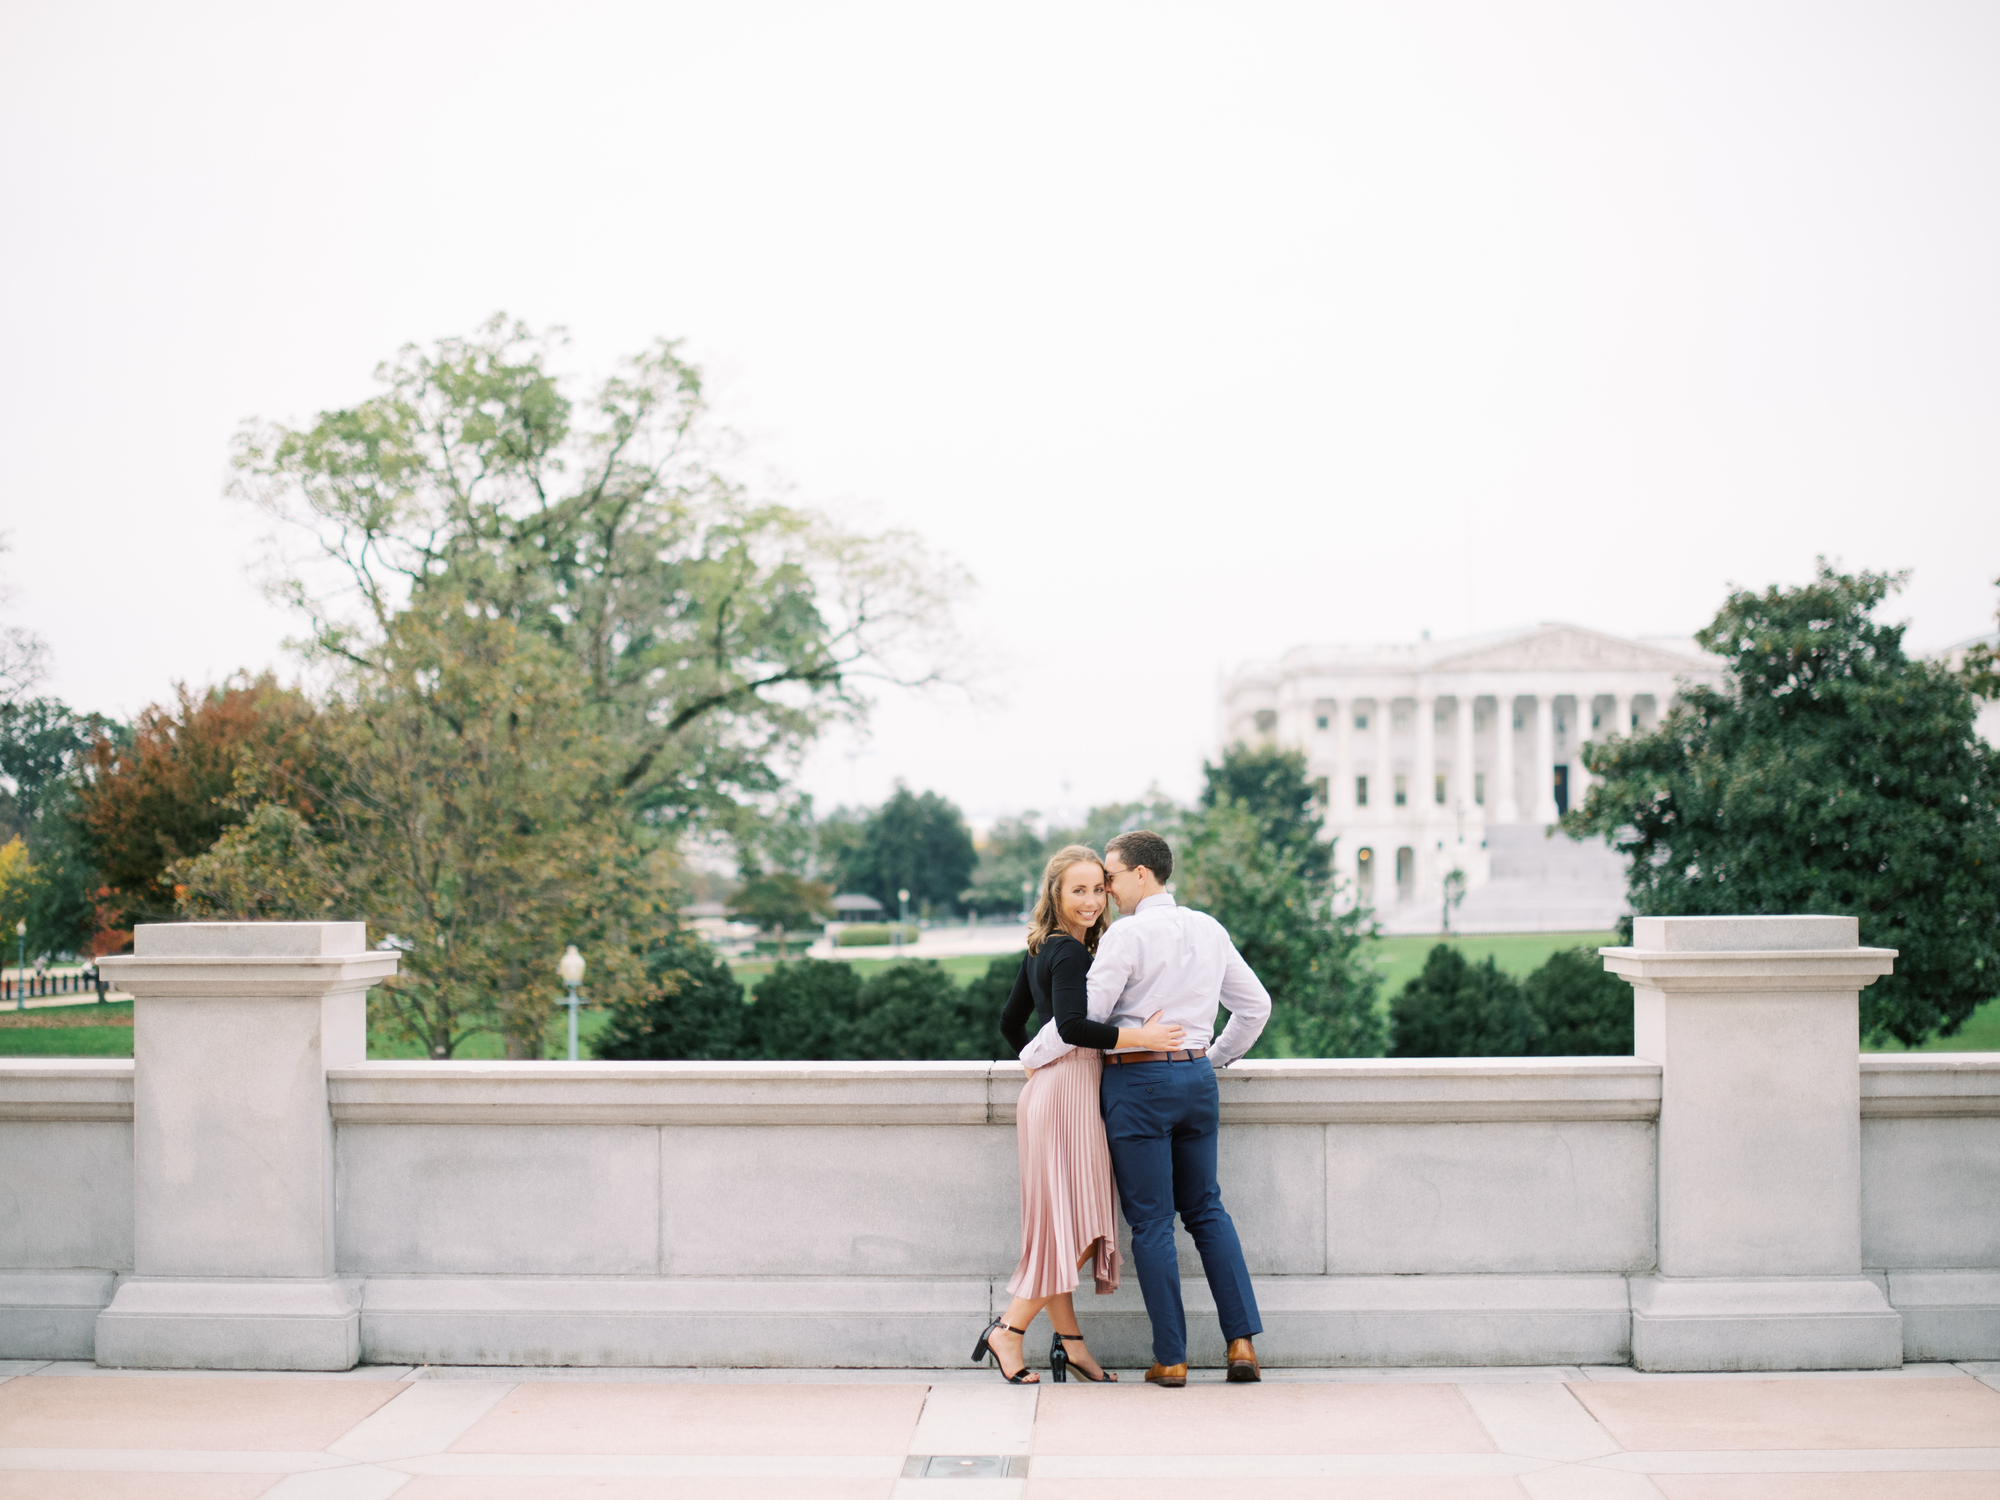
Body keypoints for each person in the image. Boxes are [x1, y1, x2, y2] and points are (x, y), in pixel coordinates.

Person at [1017, 828, 1272, 1387]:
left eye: (1109, 876)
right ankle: (1241, 1345)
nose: (1104, 888)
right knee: (1207, 1210)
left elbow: (1080, 1023)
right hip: (1197, 1078)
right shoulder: (1208, 928)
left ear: (1139, 874)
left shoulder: (1125, 937)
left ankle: (1172, 1359)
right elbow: (1255, 1007)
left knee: (1153, 1222)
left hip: (1138, 1086)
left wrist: (1030, 1057)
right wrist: (1210, 1058)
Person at [977, 844, 1186, 1384]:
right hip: (1067, 1096)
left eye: (1099, 888)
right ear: (1056, 893)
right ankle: (1011, 1329)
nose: (1093, 900)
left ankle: (1071, 1343)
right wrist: (1139, 1035)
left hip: (1053, 1093)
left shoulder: (1041, 947)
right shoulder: (1069, 954)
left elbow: (1009, 1020)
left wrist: (1033, 1066)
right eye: (1079, 890)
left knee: (1067, 1228)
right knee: (1082, 1230)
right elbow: (1071, 1027)